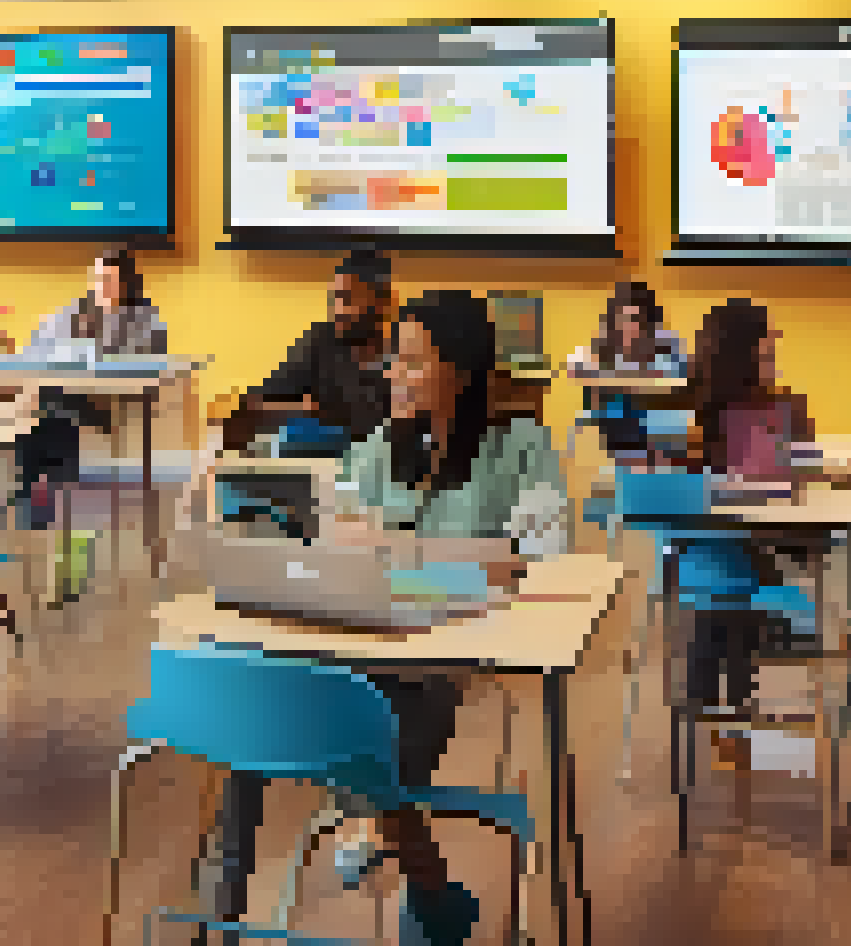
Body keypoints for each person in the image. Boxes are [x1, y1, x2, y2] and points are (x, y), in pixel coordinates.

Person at [209, 291, 572, 946]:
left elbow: (539, 556)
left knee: (374, 740)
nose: (393, 375)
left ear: (460, 369)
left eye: (411, 361)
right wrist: (462, 558)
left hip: (441, 657)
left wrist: (402, 552)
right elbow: (336, 536)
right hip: (357, 642)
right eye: (393, 361)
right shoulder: (381, 446)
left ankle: (428, 891)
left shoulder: (520, 445)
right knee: (254, 717)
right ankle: (221, 923)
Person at [678, 298, 816, 773]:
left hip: (747, 547)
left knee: (729, 595)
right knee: (729, 593)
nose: (774, 349)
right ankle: (724, 710)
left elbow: (792, 467)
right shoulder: (695, 415)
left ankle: (716, 711)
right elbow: (678, 490)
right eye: (766, 342)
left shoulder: (771, 406)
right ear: (743, 350)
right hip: (713, 551)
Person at [16, 248, 169, 528]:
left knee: (49, 410)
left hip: (114, 402)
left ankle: (47, 492)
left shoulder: (144, 318)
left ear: (127, 283)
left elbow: (150, 362)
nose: (103, 286)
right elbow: (38, 346)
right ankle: (36, 494)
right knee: (41, 412)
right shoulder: (78, 310)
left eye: (110, 279)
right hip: (71, 395)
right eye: (99, 278)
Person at [220, 248, 395, 456]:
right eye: (335, 299)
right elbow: (253, 406)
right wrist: (300, 411)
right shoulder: (321, 340)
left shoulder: (408, 351)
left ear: (382, 301)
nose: (337, 310)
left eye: (348, 300)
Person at [578, 280, 686, 464]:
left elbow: (674, 393)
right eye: (621, 319)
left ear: (649, 322)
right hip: (615, 448)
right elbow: (592, 408)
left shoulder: (667, 346)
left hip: (661, 445)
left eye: (635, 319)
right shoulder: (602, 351)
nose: (628, 328)